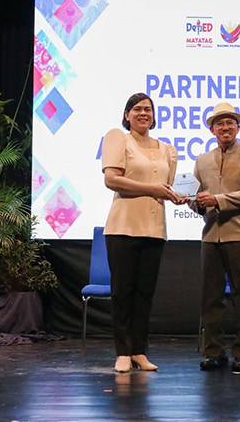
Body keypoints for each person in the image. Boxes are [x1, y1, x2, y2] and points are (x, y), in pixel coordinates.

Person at [101, 92, 185, 373]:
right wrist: (152, 189)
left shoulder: (166, 149)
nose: (143, 113)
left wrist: (181, 196)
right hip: (123, 227)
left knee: (144, 293)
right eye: (137, 109)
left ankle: (139, 351)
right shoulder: (118, 138)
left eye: (148, 109)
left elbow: (168, 186)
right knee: (123, 292)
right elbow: (112, 179)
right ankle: (122, 352)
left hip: (154, 229)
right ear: (127, 115)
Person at [191, 102, 240, 372]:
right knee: (210, 297)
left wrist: (216, 200)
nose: (225, 127)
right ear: (211, 129)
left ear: (238, 126)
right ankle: (214, 351)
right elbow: (194, 197)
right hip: (210, 236)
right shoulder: (202, 160)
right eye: (219, 123)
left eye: (230, 122)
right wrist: (196, 204)